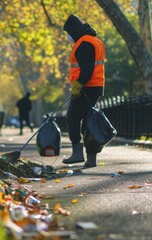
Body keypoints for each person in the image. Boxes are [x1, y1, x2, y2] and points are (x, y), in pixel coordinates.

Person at [62, 14, 106, 168]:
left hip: (86, 87)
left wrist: (78, 85)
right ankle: (91, 159)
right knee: (89, 122)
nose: (68, 36)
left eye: (68, 32)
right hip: (96, 86)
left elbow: (87, 68)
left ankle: (77, 153)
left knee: (72, 117)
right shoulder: (95, 40)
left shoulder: (84, 43)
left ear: (73, 30)